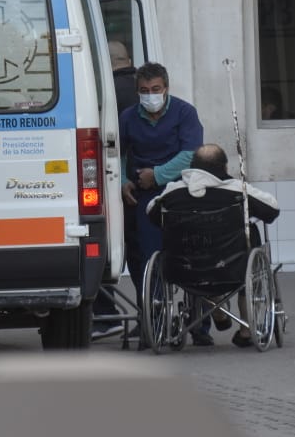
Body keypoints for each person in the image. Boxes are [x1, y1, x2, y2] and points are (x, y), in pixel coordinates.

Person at [146, 143, 280, 348]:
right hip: (233, 269)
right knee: (248, 235)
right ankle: (246, 329)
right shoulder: (238, 190)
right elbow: (272, 210)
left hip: (183, 270)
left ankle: (217, 312)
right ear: (224, 168)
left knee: (197, 251)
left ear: (192, 167)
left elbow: (152, 215)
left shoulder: (172, 193)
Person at [119, 61, 206, 343]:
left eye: (156, 89)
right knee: (143, 255)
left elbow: (190, 154)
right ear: (137, 92)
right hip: (141, 194)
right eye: (144, 90)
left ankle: (199, 323)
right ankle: (152, 314)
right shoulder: (128, 117)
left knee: (190, 252)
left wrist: (156, 175)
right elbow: (116, 152)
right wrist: (122, 180)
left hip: (178, 188)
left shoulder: (184, 113)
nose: (151, 95)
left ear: (166, 88)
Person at [91, 41, 139, 341]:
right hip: (141, 183)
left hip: (117, 184)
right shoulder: (140, 87)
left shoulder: (106, 93)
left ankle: (107, 313)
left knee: (101, 246)